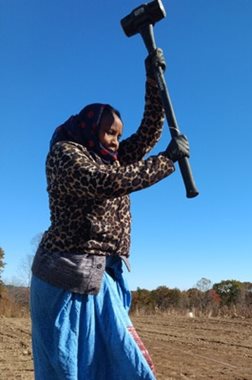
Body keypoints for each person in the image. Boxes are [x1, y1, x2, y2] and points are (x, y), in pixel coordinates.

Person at [30, 49, 189, 380]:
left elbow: (147, 134)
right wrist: (165, 162)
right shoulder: (66, 155)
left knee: (122, 365)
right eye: (109, 133)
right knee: (74, 367)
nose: (116, 142)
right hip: (67, 279)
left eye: (118, 134)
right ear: (89, 128)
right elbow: (104, 181)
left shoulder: (108, 156)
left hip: (103, 274)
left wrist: (152, 80)